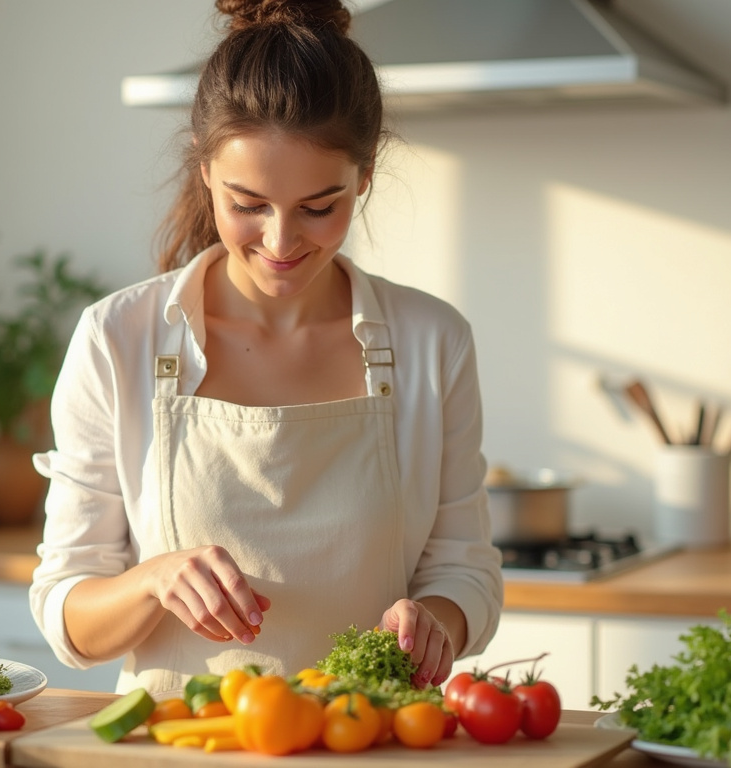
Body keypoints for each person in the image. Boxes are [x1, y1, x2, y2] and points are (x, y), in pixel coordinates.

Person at [29, 0, 503, 696]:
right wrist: (153, 581)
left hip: (373, 745)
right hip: (183, 746)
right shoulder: (117, 340)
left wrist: (436, 620)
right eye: (247, 204)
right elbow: (65, 611)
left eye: (320, 207)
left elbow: (465, 570)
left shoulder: (433, 343)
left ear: (364, 178)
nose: (281, 244)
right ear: (205, 175)